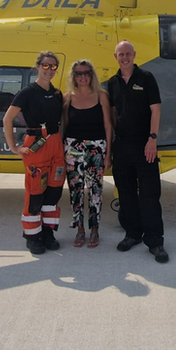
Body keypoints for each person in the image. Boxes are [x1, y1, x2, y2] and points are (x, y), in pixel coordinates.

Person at [107, 40, 168, 263]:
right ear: (115, 57)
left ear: (134, 55)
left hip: (145, 144)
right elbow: (113, 113)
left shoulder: (147, 78)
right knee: (126, 192)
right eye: (121, 54)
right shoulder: (112, 83)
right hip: (122, 145)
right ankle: (132, 234)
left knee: (150, 193)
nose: (125, 57)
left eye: (128, 54)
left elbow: (156, 110)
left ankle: (155, 241)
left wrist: (152, 139)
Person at [3, 51, 65, 255]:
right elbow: (7, 119)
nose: (49, 70)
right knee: (35, 191)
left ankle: (48, 232)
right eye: (45, 66)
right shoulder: (27, 92)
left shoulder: (57, 94)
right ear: (37, 66)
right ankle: (32, 236)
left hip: (55, 144)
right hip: (36, 143)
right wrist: (15, 147)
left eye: (53, 66)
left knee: (54, 190)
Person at [62, 59, 113, 248]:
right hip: (72, 148)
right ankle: (80, 230)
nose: (82, 76)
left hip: (96, 147)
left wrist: (108, 154)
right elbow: (64, 126)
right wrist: (62, 151)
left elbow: (108, 125)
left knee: (95, 191)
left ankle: (94, 230)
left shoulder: (102, 96)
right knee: (75, 191)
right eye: (78, 73)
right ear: (73, 76)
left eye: (86, 73)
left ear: (91, 75)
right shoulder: (67, 97)